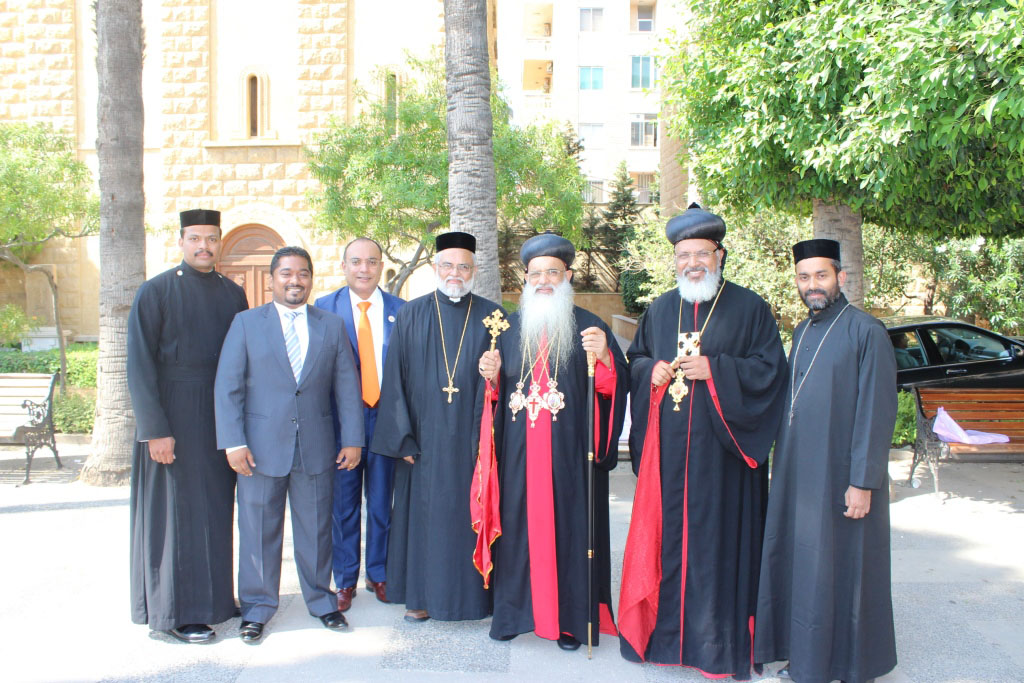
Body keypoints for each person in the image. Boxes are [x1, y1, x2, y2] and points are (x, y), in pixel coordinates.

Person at [618, 206, 788, 678]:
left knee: (718, 551)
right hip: (669, 459)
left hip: (723, 460)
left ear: (719, 255)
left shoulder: (750, 308)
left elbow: (772, 372)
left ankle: (716, 646)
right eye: (683, 255)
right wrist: (647, 371)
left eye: (701, 254)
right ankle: (663, 638)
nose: (692, 263)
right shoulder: (660, 308)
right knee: (667, 545)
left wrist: (717, 370)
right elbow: (638, 358)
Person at [754, 239, 898, 683]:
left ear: (841, 277)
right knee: (806, 571)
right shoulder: (802, 331)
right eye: (804, 277)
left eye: (821, 275)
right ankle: (808, 658)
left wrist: (863, 480)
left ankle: (852, 665)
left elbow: (877, 411)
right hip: (800, 475)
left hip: (842, 475)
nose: (812, 285)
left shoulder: (866, 331)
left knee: (847, 571)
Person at [478, 232, 627, 651]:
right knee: (518, 536)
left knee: (568, 535)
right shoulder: (508, 331)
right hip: (519, 460)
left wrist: (608, 363)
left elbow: (613, 390)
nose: (544, 280)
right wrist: (490, 379)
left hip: (568, 459)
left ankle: (568, 622)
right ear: (526, 278)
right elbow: (496, 396)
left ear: (568, 276)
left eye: (553, 272)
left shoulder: (590, 328)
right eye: (536, 273)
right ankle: (513, 613)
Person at [214, 246, 364, 644]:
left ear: (311, 279)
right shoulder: (246, 324)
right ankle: (258, 608)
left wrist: (353, 440)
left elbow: (347, 387)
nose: (294, 280)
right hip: (259, 450)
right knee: (258, 530)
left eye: (302, 273)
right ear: (271, 279)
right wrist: (233, 442)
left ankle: (321, 601)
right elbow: (227, 387)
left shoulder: (330, 325)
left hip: (317, 445)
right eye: (286, 273)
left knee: (316, 529)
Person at [126, 208, 248, 644]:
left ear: (220, 242)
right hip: (173, 416)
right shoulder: (155, 291)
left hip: (218, 417)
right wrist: (155, 429)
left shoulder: (233, 295)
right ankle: (177, 610)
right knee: (177, 514)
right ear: (181, 241)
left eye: (211, 239)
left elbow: (241, 363)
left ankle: (216, 600)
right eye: (195, 238)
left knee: (216, 509)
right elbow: (139, 366)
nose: (204, 246)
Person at [372, 231, 502, 623]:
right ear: (435, 269)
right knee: (423, 517)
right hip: (423, 440)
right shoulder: (411, 313)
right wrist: (402, 436)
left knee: (466, 516)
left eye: (464, 266)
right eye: (448, 265)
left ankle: (475, 600)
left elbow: (509, 377)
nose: (455, 273)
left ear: (474, 270)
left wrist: (497, 375)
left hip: (471, 440)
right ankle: (421, 597)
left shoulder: (494, 316)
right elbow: (394, 379)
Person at [314, 237, 405, 611]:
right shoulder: (323, 309)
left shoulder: (403, 310)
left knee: (383, 504)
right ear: (343, 266)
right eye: (356, 262)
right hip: (342, 427)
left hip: (385, 423)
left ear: (380, 265)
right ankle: (345, 579)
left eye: (371, 261)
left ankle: (379, 573)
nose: (364, 269)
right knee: (344, 506)